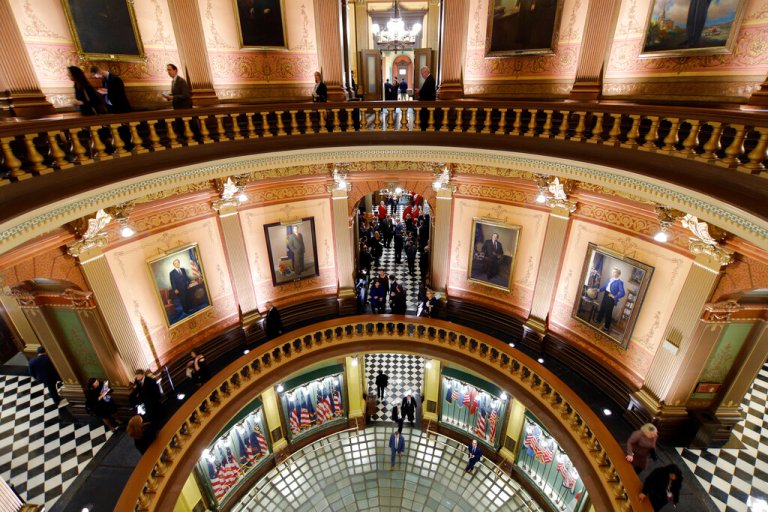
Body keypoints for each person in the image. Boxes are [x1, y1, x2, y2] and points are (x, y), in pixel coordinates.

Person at [596, 267, 625, 332]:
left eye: (615, 272)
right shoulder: (609, 279)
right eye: (612, 271)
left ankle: (606, 326)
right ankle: (598, 320)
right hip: (606, 294)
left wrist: (614, 296)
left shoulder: (620, 282)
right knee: (602, 308)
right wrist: (599, 290)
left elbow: (623, 293)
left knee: (608, 312)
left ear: (618, 274)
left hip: (611, 297)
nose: (613, 273)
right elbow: (605, 287)